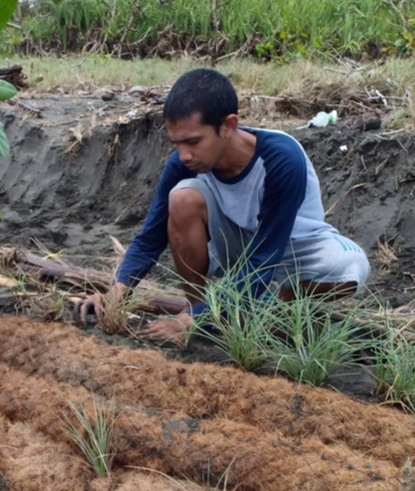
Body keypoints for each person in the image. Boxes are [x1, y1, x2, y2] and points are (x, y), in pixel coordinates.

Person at [75, 68, 370, 345]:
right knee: (182, 198)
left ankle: (276, 309)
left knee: (352, 267)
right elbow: (150, 237)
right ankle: (202, 310)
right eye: (176, 143)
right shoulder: (183, 162)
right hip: (235, 243)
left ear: (228, 126)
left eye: (193, 141)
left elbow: (264, 260)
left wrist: (192, 321)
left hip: (291, 247)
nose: (184, 155)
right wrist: (116, 293)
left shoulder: (282, 158)